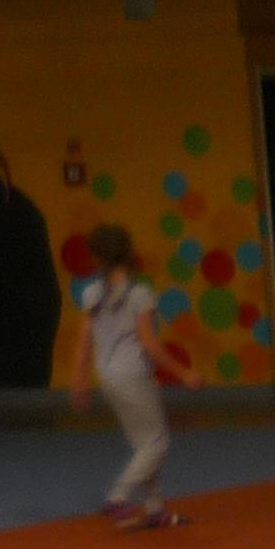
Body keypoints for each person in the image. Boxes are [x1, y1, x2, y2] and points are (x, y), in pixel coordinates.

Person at [69, 224, 198, 528]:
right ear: (128, 253)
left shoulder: (91, 293)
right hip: (132, 374)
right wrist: (183, 373)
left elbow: (85, 339)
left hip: (107, 375)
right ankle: (119, 496)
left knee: (144, 443)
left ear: (96, 256)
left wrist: (79, 379)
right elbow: (150, 344)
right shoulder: (140, 294)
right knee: (157, 443)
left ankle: (155, 510)